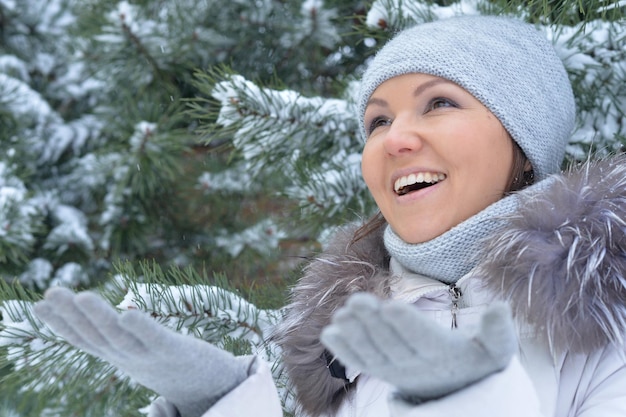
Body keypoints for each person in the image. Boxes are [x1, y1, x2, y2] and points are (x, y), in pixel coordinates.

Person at [33, 15, 626, 417]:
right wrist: (219, 404)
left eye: (440, 102)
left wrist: (465, 399)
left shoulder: (607, 318)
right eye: (378, 121)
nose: (396, 140)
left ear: (524, 142)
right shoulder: (343, 351)